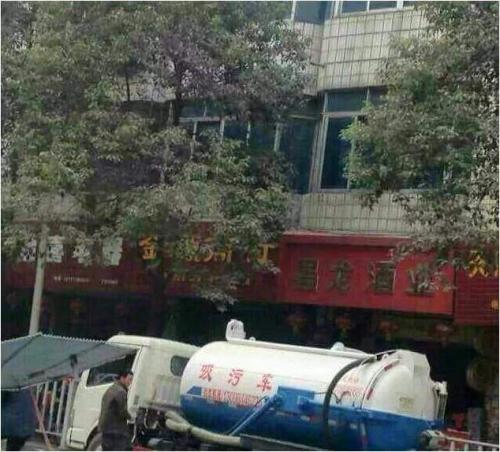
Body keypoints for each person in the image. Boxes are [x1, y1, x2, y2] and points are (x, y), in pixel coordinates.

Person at [98, 370, 134, 451]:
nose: (130, 382)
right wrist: (130, 417)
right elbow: (122, 411)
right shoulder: (121, 392)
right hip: (116, 431)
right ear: (122, 378)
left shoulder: (111, 389)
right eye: (129, 379)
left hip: (106, 429)